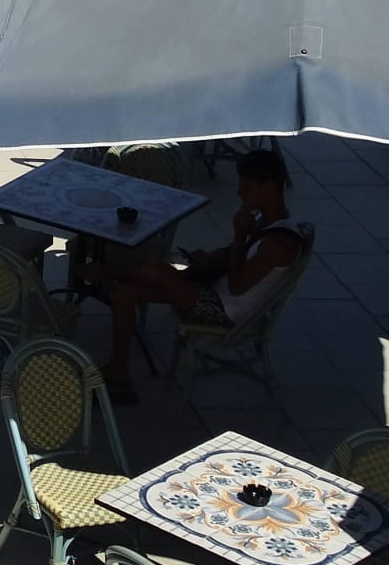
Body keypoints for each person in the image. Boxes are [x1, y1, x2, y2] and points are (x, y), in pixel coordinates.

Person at [100, 147, 305, 401]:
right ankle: (119, 369)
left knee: (159, 271)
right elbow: (235, 254)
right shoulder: (266, 220)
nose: (239, 193)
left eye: (247, 187)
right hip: (216, 290)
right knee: (125, 291)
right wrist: (211, 259)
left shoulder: (279, 244)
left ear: (269, 186)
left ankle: (105, 275)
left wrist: (240, 234)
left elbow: (237, 286)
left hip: (224, 310)